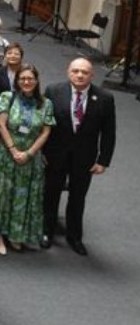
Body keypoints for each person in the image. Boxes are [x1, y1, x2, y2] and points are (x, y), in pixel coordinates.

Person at [41, 58, 116, 256]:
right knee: (51, 193)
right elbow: (43, 125)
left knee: (78, 197)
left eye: (84, 72)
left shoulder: (105, 98)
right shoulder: (53, 91)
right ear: (68, 72)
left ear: (92, 75)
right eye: (76, 71)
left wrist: (103, 161)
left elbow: (109, 133)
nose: (80, 75)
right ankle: (46, 231)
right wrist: (41, 152)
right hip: (55, 155)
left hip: (85, 158)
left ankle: (74, 237)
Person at [0, 64, 55, 254]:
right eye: (22, 79)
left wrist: (29, 153)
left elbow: (46, 131)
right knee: (1, 194)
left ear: (37, 81)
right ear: (17, 81)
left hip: (31, 157)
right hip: (6, 154)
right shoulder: (7, 97)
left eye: (30, 78)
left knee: (22, 195)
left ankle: (16, 234)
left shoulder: (46, 103)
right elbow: (1, 124)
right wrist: (13, 150)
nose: (26, 82)